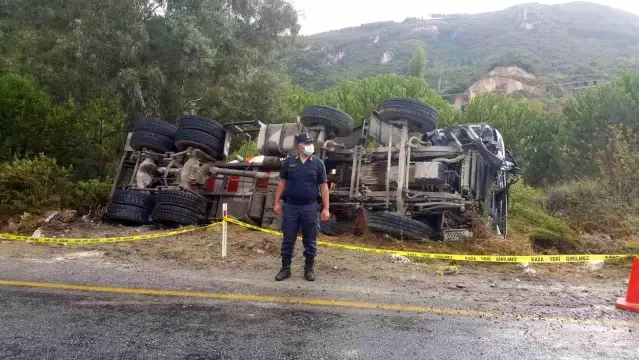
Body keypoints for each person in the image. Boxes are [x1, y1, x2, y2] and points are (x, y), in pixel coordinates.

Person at [273, 133, 330, 281]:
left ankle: (309, 269)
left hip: (310, 207)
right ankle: (285, 269)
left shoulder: (318, 164)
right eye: (307, 143)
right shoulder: (289, 162)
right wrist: (276, 202)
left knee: (310, 240)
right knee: (288, 239)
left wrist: (326, 208)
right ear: (299, 146)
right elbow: (282, 183)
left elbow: (324, 187)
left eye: (311, 142)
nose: (310, 145)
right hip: (291, 206)